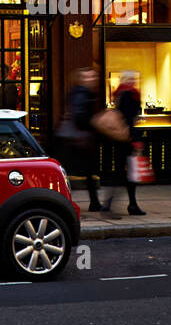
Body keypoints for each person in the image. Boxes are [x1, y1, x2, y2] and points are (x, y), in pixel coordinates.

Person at [102, 71, 146, 218]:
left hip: (120, 138)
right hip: (128, 138)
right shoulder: (130, 94)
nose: (135, 80)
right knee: (127, 173)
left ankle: (130, 204)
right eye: (133, 78)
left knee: (125, 172)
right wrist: (135, 140)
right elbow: (128, 119)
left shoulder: (120, 93)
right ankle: (113, 205)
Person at [60, 68, 101, 212]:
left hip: (77, 137)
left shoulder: (79, 93)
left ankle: (93, 202)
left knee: (82, 172)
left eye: (93, 77)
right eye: (88, 77)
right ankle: (66, 200)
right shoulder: (81, 94)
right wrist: (92, 123)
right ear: (82, 79)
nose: (91, 80)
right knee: (77, 172)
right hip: (80, 138)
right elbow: (80, 116)